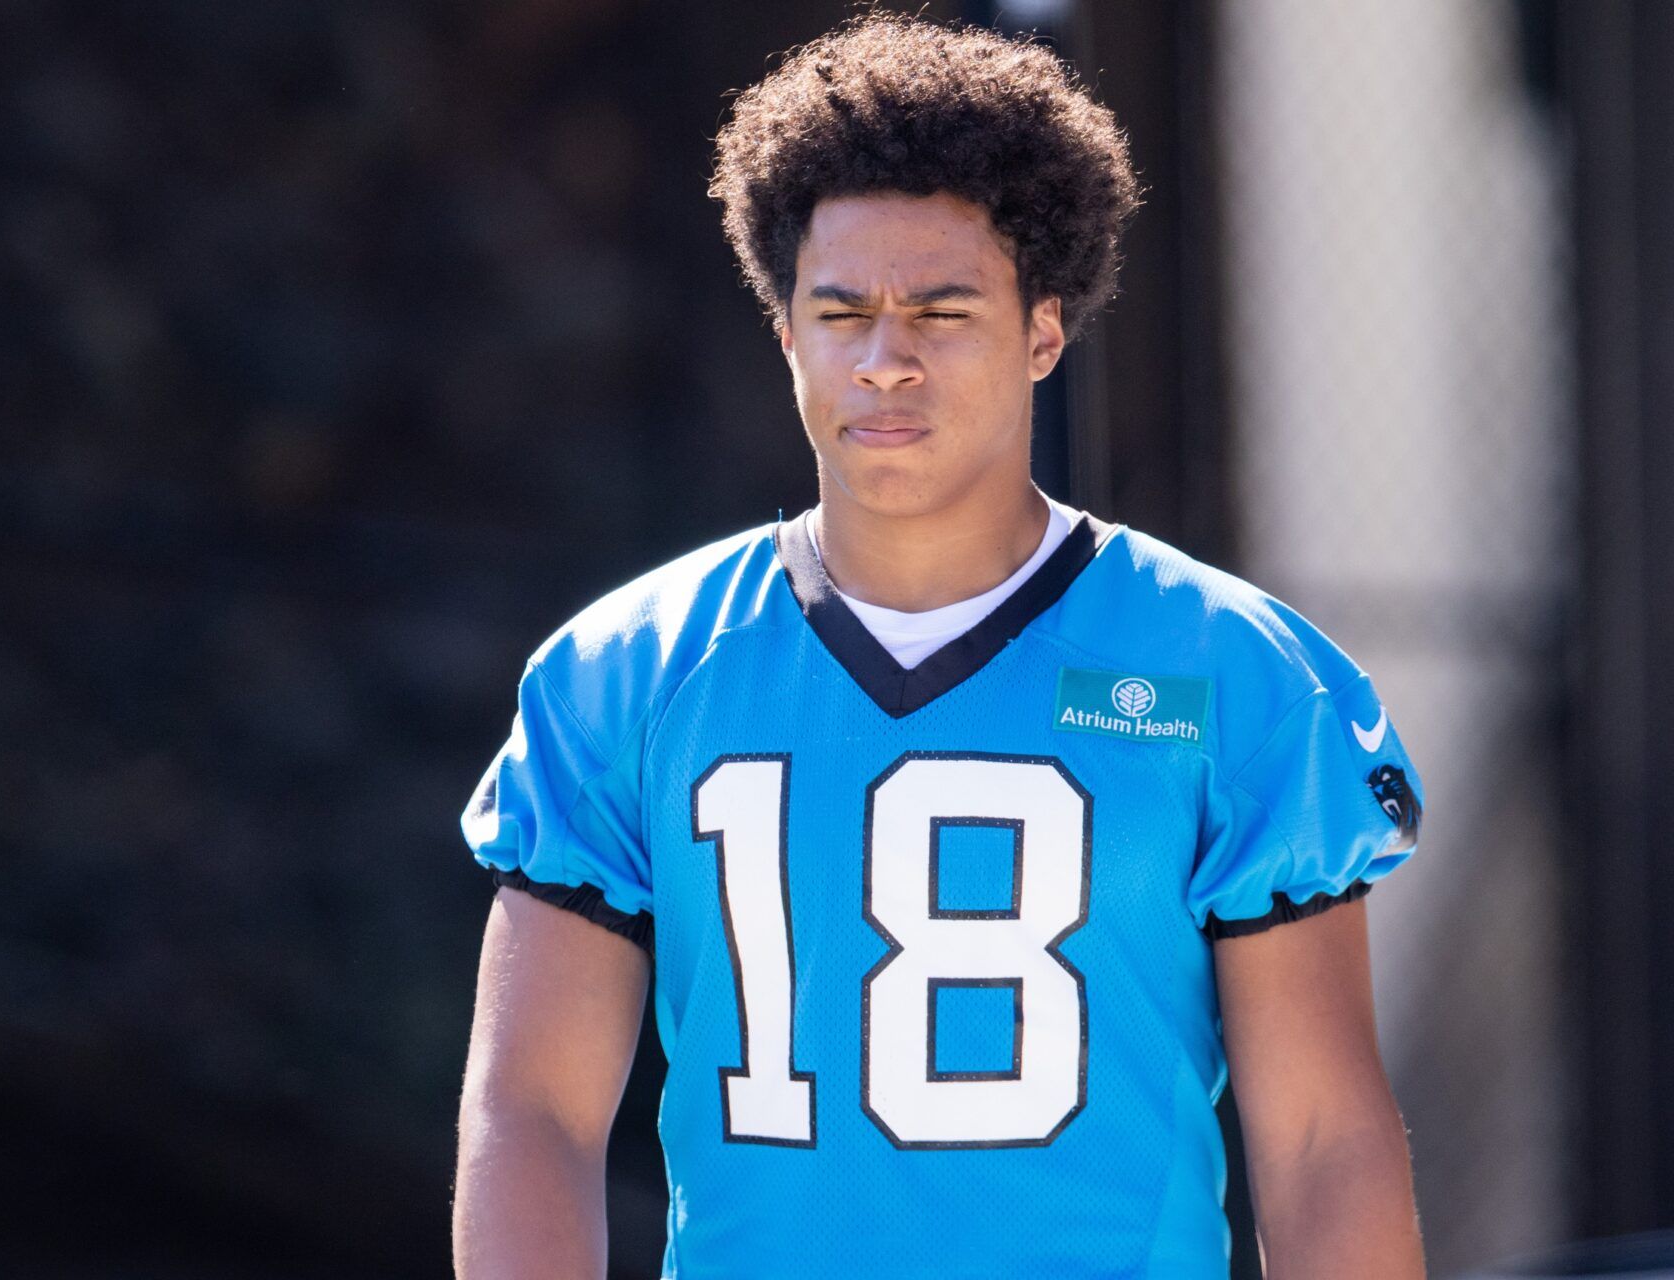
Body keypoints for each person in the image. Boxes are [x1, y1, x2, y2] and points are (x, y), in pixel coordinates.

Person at [453, 12, 1426, 1278]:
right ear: (786, 328)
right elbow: (530, 1109)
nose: (886, 359)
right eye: (842, 308)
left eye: (943, 310)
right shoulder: (626, 672)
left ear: (1044, 330)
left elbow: (1320, 1138)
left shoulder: (1230, 671)